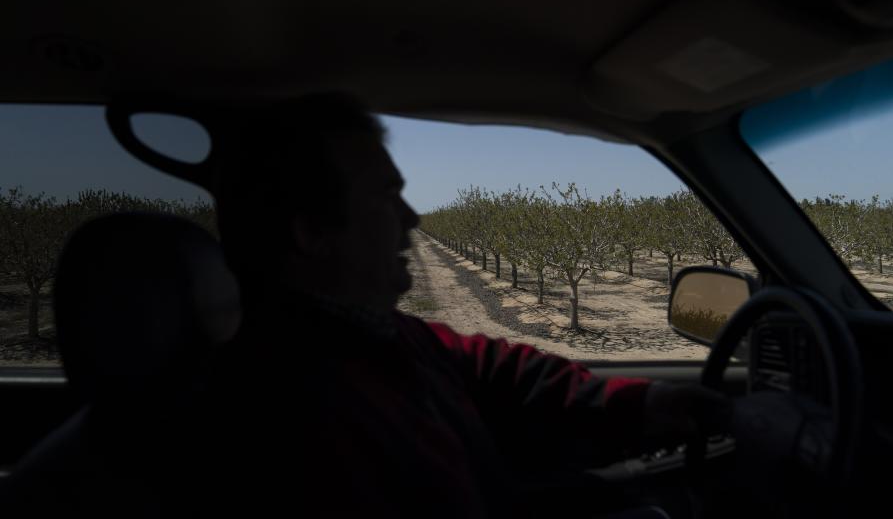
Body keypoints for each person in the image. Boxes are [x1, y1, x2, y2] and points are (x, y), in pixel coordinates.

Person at [206, 94, 731, 518]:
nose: (412, 219)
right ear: (311, 233)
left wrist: (647, 402)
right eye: (386, 196)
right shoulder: (293, 417)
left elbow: (500, 370)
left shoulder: (382, 335)